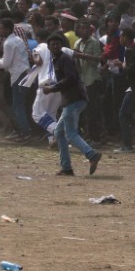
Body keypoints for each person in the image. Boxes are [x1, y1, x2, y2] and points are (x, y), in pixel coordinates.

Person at [42, 34, 102, 176]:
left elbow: (71, 78)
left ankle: (91, 154)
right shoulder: (57, 60)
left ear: (61, 46)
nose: (55, 46)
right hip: (71, 99)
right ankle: (66, 168)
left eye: (57, 44)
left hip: (74, 99)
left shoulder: (64, 59)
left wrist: (52, 88)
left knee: (70, 132)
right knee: (59, 132)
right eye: (52, 44)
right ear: (49, 47)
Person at [0, 18, 33, 143]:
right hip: (24, 73)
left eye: (1, 28)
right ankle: (22, 131)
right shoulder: (18, 39)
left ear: (7, 29)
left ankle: (25, 133)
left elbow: (6, 63)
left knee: (18, 106)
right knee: (19, 105)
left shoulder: (8, 43)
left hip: (18, 75)